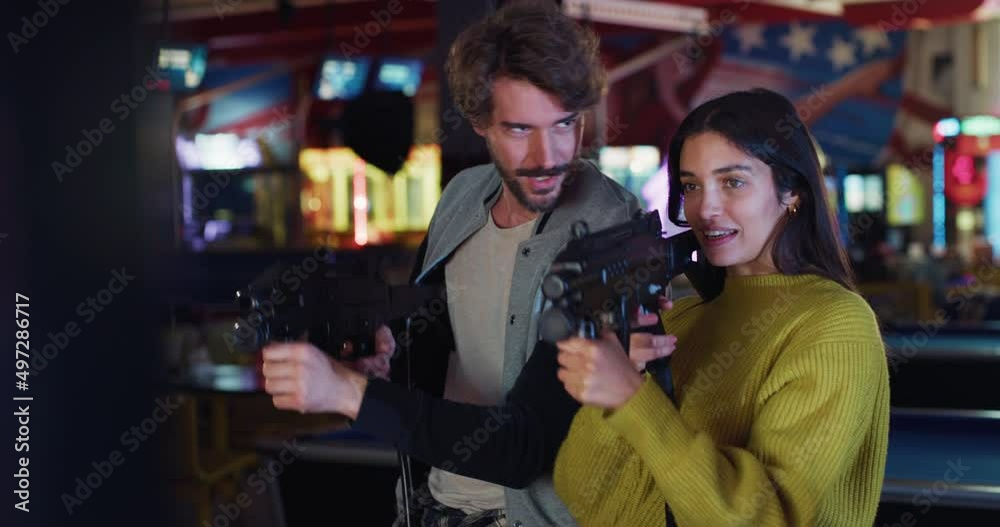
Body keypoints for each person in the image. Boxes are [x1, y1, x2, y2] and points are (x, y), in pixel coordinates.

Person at [260, 3, 670, 526]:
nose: (548, 155)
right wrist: (384, 364)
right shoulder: (462, 196)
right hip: (433, 505)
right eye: (520, 129)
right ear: (480, 123)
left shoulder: (611, 227)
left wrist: (349, 393)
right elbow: (441, 352)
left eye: (564, 123)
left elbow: (524, 448)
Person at [552, 88, 891, 526]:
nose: (706, 208)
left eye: (732, 182)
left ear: (792, 191)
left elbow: (764, 519)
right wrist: (621, 387)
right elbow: (579, 494)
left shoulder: (835, 323)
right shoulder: (679, 317)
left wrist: (632, 398)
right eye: (691, 186)